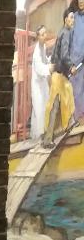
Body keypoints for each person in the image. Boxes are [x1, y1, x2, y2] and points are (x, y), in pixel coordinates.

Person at [44, 8, 79, 147]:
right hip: (58, 75)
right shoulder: (65, 33)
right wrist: (71, 67)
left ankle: (69, 123)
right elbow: (64, 56)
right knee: (55, 105)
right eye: (71, 17)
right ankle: (47, 139)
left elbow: (56, 55)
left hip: (60, 74)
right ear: (65, 19)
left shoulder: (64, 32)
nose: (73, 20)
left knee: (67, 96)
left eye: (73, 18)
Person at [30, 25, 51, 141]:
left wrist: (50, 60)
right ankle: (41, 137)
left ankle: (42, 134)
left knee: (45, 106)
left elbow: (45, 60)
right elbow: (39, 68)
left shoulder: (43, 47)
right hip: (37, 85)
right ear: (38, 37)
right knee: (39, 108)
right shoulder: (36, 51)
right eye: (42, 35)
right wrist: (49, 68)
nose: (45, 36)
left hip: (42, 83)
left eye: (45, 33)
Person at [70, 0, 84, 121]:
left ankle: (80, 119)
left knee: (81, 91)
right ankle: (74, 119)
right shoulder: (73, 17)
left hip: (83, 60)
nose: (81, 1)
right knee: (73, 90)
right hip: (73, 60)